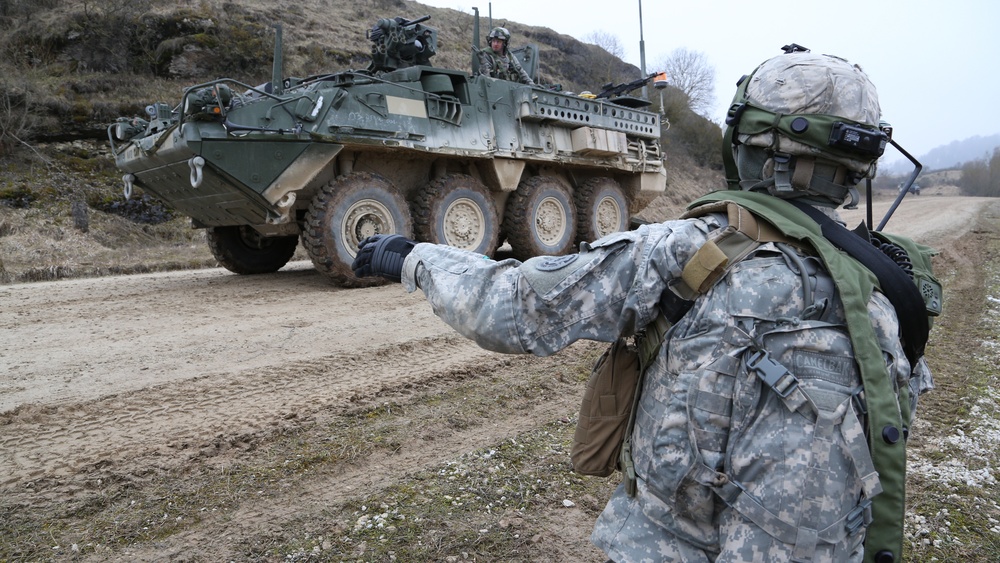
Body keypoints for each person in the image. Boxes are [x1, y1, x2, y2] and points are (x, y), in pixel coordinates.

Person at [352, 48, 938, 562]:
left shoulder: (685, 250)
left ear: (748, 144)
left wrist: (412, 257)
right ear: (863, 163)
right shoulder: (891, 291)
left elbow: (513, 307)